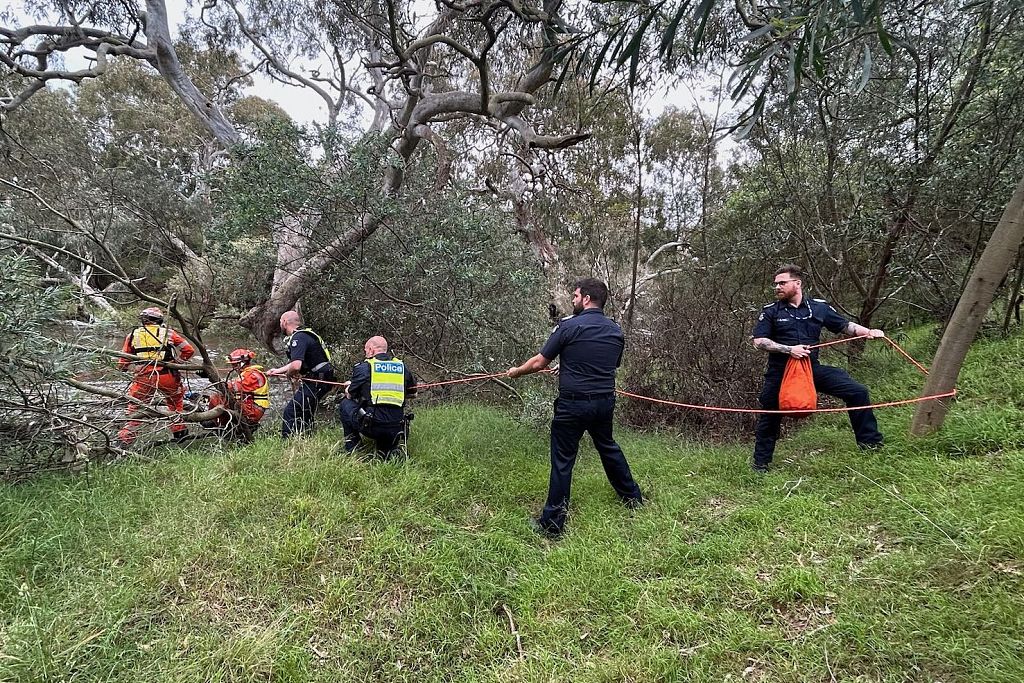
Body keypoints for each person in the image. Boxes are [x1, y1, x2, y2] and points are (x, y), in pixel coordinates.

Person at [507, 277, 643, 538]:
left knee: (563, 459)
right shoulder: (615, 330)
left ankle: (553, 523)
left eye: (575, 296)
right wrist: (568, 366)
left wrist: (517, 372)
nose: (573, 300)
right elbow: (607, 364)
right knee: (607, 446)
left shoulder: (568, 326)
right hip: (604, 402)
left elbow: (538, 363)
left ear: (587, 299)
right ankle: (633, 497)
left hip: (573, 404)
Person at [751, 264, 885, 473]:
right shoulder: (770, 312)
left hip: (810, 369)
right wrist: (789, 349)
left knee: (857, 392)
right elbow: (759, 342)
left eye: (782, 283)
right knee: (770, 415)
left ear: (797, 283)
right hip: (780, 372)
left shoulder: (818, 307)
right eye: (776, 284)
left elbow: (845, 326)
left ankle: (871, 445)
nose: (777, 287)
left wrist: (869, 332)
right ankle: (760, 465)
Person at [117, 306, 195, 446]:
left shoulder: (133, 335)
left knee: (135, 408)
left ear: (143, 320)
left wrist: (125, 369)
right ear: (159, 320)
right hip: (167, 375)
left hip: (144, 377)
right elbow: (189, 350)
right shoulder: (168, 333)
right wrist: (178, 361)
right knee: (175, 404)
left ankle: (125, 440)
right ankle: (180, 435)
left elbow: (123, 361)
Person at [338, 336, 417, 457]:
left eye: (365, 351)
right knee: (385, 453)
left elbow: (350, 395)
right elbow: (413, 393)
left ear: (371, 350)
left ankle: (353, 448)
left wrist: (349, 386)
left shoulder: (364, 367)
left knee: (344, 404)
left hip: (372, 425)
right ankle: (388, 449)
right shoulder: (402, 367)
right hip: (396, 425)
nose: (365, 354)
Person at [267, 311, 335, 437]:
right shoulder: (305, 335)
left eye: (281, 322)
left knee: (291, 411)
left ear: (285, 322)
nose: (280, 324)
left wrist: (289, 374)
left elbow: (296, 365)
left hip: (318, 380)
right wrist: (278, 371)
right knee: (305, 411)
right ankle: (306, 438)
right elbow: (296, 362)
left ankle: (287, 442)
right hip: (319, 377)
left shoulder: (298, 338)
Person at [203, 348, 270, 442]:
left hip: (253, 410)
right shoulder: (247, 373)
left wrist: (210, 376)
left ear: (241, 363)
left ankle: (218, 424)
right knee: (219, 398)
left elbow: (230, 387)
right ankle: (219, 424)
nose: (233, 367)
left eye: (234, 365)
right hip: (248, 406)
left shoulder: (252, 375)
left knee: (217, 399)